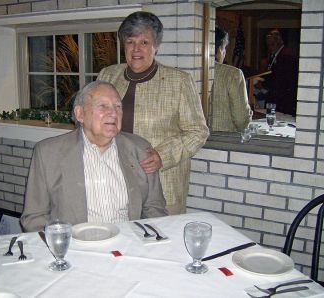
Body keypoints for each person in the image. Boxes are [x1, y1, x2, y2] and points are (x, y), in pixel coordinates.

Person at [97, 11, 209, 215]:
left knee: (162, 243)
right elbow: (93, 120)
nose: (136, 49)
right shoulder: (107, 75)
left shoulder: (179, 81)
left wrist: (162, 155)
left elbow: (198, 131)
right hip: (115, 182)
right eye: (130, 42)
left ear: (156, 46)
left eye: (144, 42)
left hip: (163, 184)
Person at [20, 80, 168, 232]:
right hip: (75, 248)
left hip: (128, 244)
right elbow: (34, 219)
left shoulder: (140, 149)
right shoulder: (48, 153)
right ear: (80, 114)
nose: (113, 113)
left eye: (118, 107)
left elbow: (154, 208)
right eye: (103, 106)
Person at [209, 27, 252, 133]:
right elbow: (241, 119)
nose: (224, 53)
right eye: (224, 48)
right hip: (225, 141)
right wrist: (249, 115)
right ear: (219, 50)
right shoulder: (233, 74)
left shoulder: (190, 71)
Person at [263, 29, 298, 116]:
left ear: (279, 42)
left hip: (283, 101)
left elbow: (282, 79)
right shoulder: (274, 56)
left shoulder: (286, 56)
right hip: (276, 99)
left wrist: (263, 84)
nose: (269, 46)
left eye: (272, 43)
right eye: (268, 44)